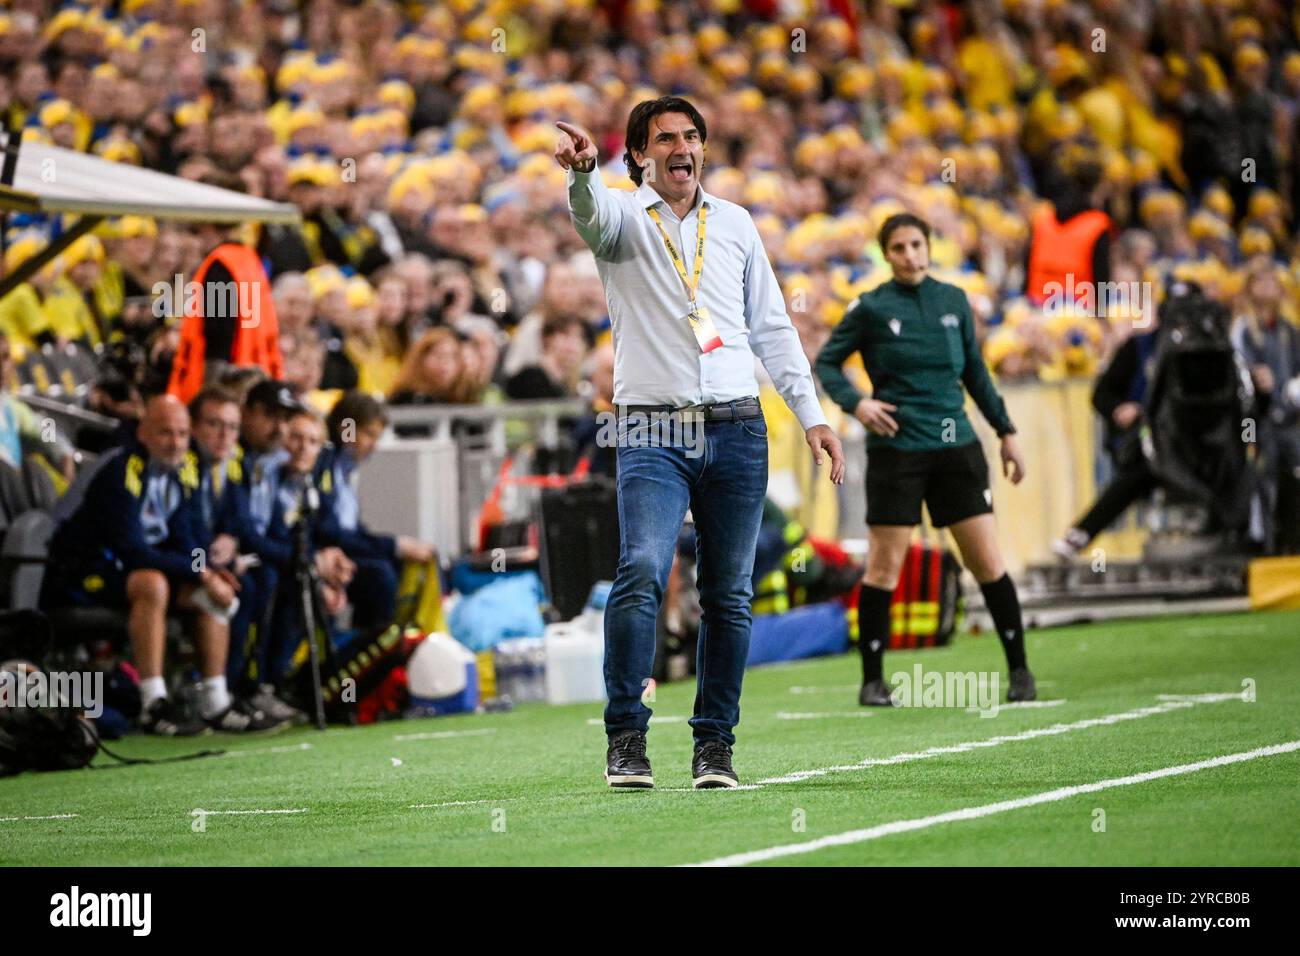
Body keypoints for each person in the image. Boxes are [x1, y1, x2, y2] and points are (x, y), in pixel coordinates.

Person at [556, 97, 844, 790]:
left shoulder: (738, 224)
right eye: (664, 139)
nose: (681, 148)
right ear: (640, 156)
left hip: (739, 426)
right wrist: (582, 174)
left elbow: (772, 329)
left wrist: (812, 416)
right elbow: (589, 215)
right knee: (643, 571)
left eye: (691, 137)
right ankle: (626, 736)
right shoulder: (622, 216)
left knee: (730, 595)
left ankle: (714, 746)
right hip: (652, 426)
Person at [815, 212, 1036, 706]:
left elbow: (976, 373)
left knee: (987, 561)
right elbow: (827, 361)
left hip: (957, 449)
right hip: (897, 453)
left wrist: (1006, 432)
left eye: (917, 245)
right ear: (886, 254)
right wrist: (858, 404)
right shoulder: (870, 307)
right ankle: (872, 681)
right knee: (884, 566)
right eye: (898, 248)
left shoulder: (953, 300)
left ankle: (1020, 671)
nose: (910, 255)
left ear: (929, 247)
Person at [41, 395, 276, 734]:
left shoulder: (183, 471)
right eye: (166, 433)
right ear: (143, 433)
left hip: (132, 572)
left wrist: (207, 573)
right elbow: (132, 550)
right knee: (153, 582)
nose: (176, 443)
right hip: (80, 573)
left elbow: (189, 539)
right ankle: (153, 703)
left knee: (208, 593)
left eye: (182, 434)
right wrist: (201, 571)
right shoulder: (121, 469)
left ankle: (216, 702)